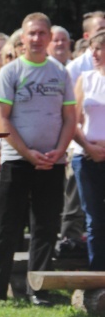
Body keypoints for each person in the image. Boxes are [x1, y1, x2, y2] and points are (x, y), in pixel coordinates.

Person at [0, 13, 76, 308]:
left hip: (52, 162)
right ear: (22, 37)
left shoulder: (60, 72)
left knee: (46, 227)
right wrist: (27, 153)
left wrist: (59, 151)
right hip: (17, 161)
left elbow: (70, 117)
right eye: (31, 33)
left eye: (41, 33)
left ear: (49, 37)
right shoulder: (11, 72)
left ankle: (40, 289)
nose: (36, 38)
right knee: (6, 228)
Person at [72, 30, 105, 271]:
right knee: (94, 219)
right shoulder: (85, 78)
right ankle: (97, 274)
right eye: (92, 48)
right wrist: (89, 147)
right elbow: (72, 121)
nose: (94, 53)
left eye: (100, 48)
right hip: (86, 156)